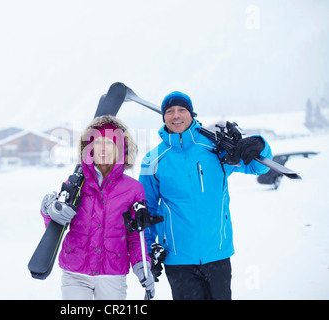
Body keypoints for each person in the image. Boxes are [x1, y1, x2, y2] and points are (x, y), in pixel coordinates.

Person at [139, 91, 273, 300]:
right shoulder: (152, 160)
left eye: (182, 110)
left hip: (217, 253)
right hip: (178, 260)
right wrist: (147, 253)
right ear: (163, 117)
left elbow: (258, 167)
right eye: (170, 111)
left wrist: (260, 145)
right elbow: (147, 209)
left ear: (191, 115)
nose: (176, 115)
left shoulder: (216, 150)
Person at [40, 115, 155, 300]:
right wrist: (49, 210)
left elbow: (136, 234)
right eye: (98, 142)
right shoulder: (75, 183)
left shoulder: (134, 189)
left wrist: (142, 264)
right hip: (75, 272)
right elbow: (57, 225)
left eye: (109, 142)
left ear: (120, 149)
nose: (102, 148)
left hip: (112, 274)